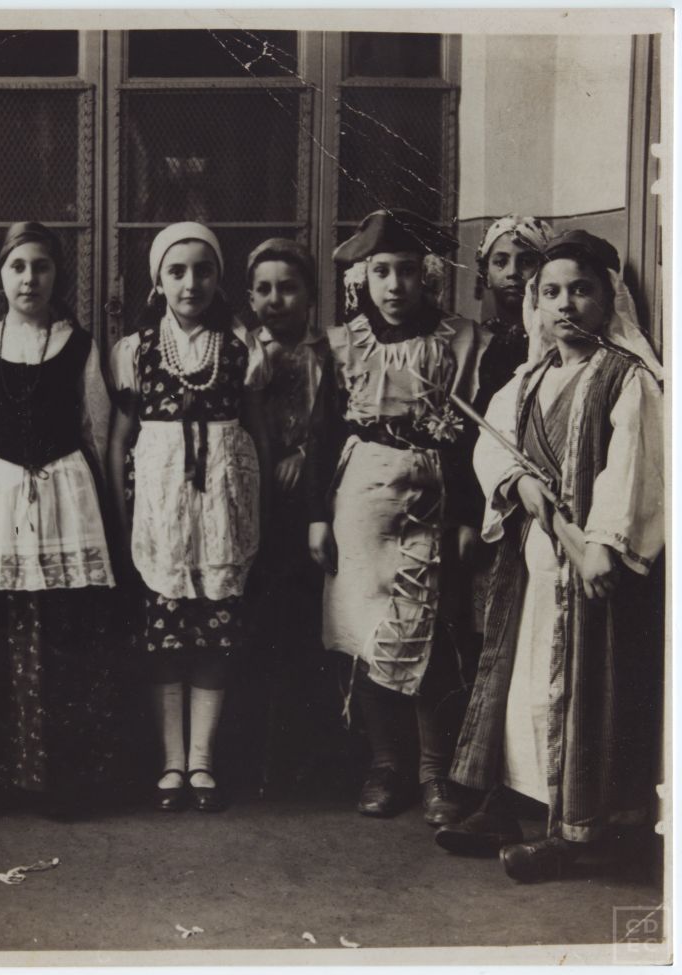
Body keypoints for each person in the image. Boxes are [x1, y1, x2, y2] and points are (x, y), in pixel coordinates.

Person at [436, 231, 664, 882]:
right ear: (536, 303)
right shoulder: (528, 379)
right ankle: (513, 805)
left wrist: (603, 545)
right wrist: (519, 484)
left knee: (582, 693)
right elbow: (492, 446)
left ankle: (580, 830)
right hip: (535, 565)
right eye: (552, 292)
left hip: (591, 570)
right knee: (527, 689)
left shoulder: (627, 379)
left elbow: (636, 466)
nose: (566, 304)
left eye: (581, 290)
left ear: (608, 300)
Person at [306, 209, 483, 825]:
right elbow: (322, 434)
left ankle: (436, 772)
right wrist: (317, 516)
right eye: (381, 271)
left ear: (426, 277)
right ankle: (387, 764)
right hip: (361, 500)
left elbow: (472, 439)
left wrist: (467, 516)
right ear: (363, 278)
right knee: (368, 632)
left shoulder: (459, 341)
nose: (394, 285)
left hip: (434, 498)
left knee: (430, 630)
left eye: (406, 271)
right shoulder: (342, 343)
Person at [0, 221, 116, 813]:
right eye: (17, 266)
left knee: (62, 631)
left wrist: (98, 507)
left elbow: (95, 430)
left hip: (63, 497)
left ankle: (61, 779)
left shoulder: (79, 345)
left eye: (41, 266)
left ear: (56, 275)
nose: (29, 278)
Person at [106, 223, 262, 813]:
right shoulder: (138, 350)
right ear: (158, 281)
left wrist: (257, 511)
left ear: (219, 278)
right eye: (177, 271)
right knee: (166, 636)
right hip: (162, 509)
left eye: (203, 270)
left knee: (216, 634)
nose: (190, 283)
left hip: (222, 507)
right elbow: (120, 440)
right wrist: (124, 515)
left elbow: (258, 433)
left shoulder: (240, 347)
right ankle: (172, 762)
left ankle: (203, 762)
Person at [243, 237, 341, 796]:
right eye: (263, 289)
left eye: (288, 288)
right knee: (260, 628)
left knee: (308, 629)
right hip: (255, 503)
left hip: (315, 503)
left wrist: (304, 455)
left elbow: (341, 423)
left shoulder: (330, 354)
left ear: (309, 295)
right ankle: (257, 761)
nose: (275, 300)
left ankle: (310, 761)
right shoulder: (241, 352)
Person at [462, 217, 556, 642]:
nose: (514, 273)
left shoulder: (556, 343)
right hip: (488, 492)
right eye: (501, 262)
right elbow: (467, 436)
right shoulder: (474, 343)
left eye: (527, 261)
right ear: (485, 273)